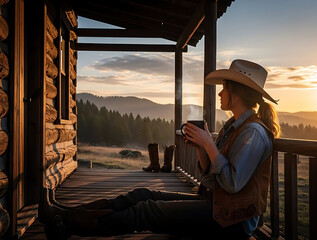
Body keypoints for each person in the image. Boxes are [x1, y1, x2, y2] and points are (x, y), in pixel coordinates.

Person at [39, 59, 280, 240]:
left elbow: (232, 183)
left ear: (236, 93)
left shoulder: (253, 133)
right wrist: (200, 148)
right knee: (142, 194)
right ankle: (67, 215)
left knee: (147, 211)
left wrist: (208, 143)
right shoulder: (233, 127)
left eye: (224, 87)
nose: (220, 92)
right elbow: (211, 174)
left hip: (232, 222)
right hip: (217, 206)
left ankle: (66, 225)